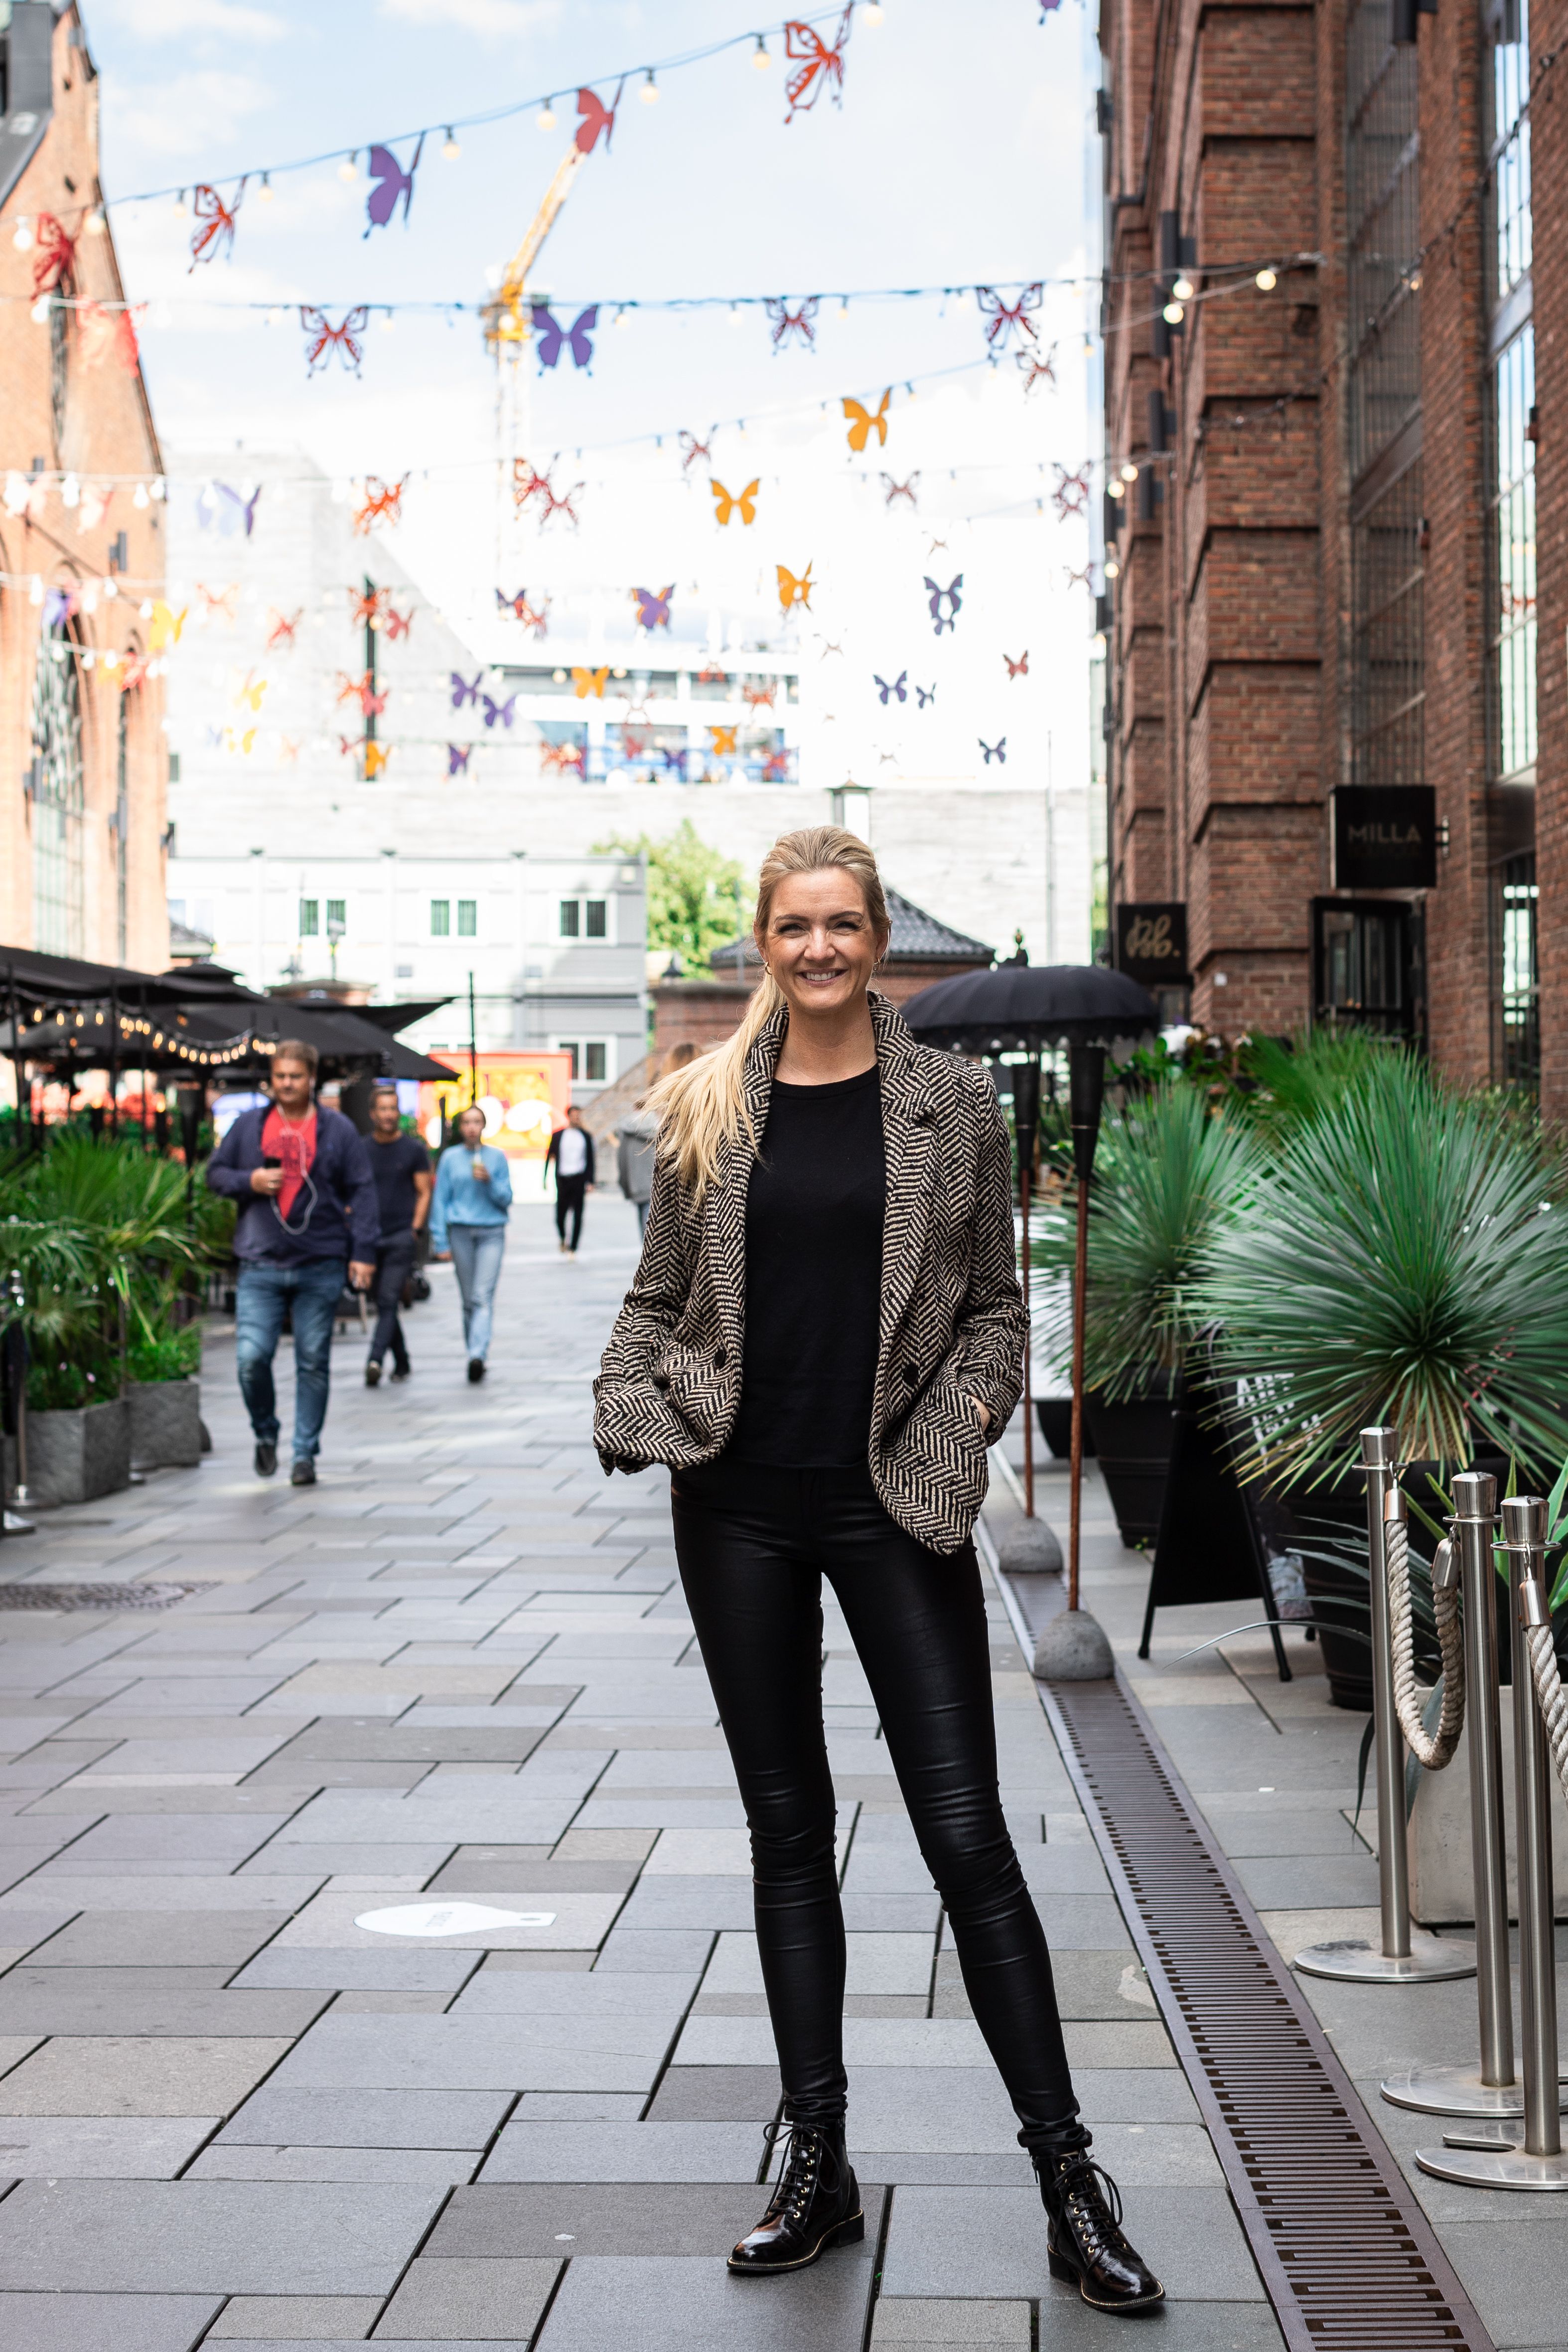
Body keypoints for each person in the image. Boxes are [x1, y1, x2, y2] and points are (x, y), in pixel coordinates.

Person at [593, 829, 1160, 2313]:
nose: (821, 945)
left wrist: (967, 1418)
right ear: (762, 940)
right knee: (786, 1834)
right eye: (795, 924)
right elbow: (657, 1296)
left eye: (843, 922)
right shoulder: (706, 1101)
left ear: (874, 938)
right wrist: (632, 1402)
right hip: (734, 1506)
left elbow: (991, 1309)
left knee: (966, 1835)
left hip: (889, 1504)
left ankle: (1067, 2178)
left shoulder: (949, 1102)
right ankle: (816, 2161)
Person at [207, 1040, 379, 1487]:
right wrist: (251, 1180)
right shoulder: (249, 1126)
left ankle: (304, 1454)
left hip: (319, 1261)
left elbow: (362, 1191)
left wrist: (363, 1253)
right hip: (259, 1262)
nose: (287, 1084)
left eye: (295, 1076)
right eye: (280, 1076)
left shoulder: (336, 1129)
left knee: (312, 1361)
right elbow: (215, 1174)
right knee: (250, 1358)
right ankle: (266, 1432)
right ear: (272, 1078)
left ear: (311, 1078)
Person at [429, 1104, 512, 1383]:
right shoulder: (450, 1158)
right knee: (468, 1301)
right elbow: (440, 1200)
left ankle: (478, 1354)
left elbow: (507, 1198)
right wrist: (440, 1240)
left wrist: (490, 1181)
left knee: (481, 1296)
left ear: (484, 1126)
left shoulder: (496, 1158)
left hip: (491, 1232)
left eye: (477, 1122)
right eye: (467, 1122)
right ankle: (473, 1351)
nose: (472, 1127)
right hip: (461, 1232)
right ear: (461, 1127)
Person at [363, 1082, 432, 1387]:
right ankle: (401, 1360)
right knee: (383, 1301)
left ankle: (375, 1359)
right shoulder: (362, 1149)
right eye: (383, 1109)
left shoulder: (413, 1149)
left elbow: (424, 1191)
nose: (389, 1114)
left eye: (393, 1108)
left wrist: (415, 1229)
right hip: (369, 1237)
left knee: (389, 1298)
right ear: (373, 1114)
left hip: (401, 1236)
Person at [544, 1102, 594, 1255]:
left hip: (579, 1179)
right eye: (574, 1116)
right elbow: (549, 1157)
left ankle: (573, 1247)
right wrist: (544, 1178)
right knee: (560, 1215)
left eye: (578, 1116)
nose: (576, 1118)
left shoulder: (585, 1136)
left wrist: (591, 1181)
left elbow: (591, 1159)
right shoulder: (558, 1135)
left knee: (578, 1215)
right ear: (569, 1116)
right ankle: (562, 1237)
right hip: (563, 1179)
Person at [615, 1101, 658, 1240]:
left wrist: (624, 1183)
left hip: (636, 1184)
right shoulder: (660, 1126)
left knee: (644, 1220)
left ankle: (647, 1251)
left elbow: (622, 1160)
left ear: (635, 1108)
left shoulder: (627, 1128)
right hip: (657, 1183)